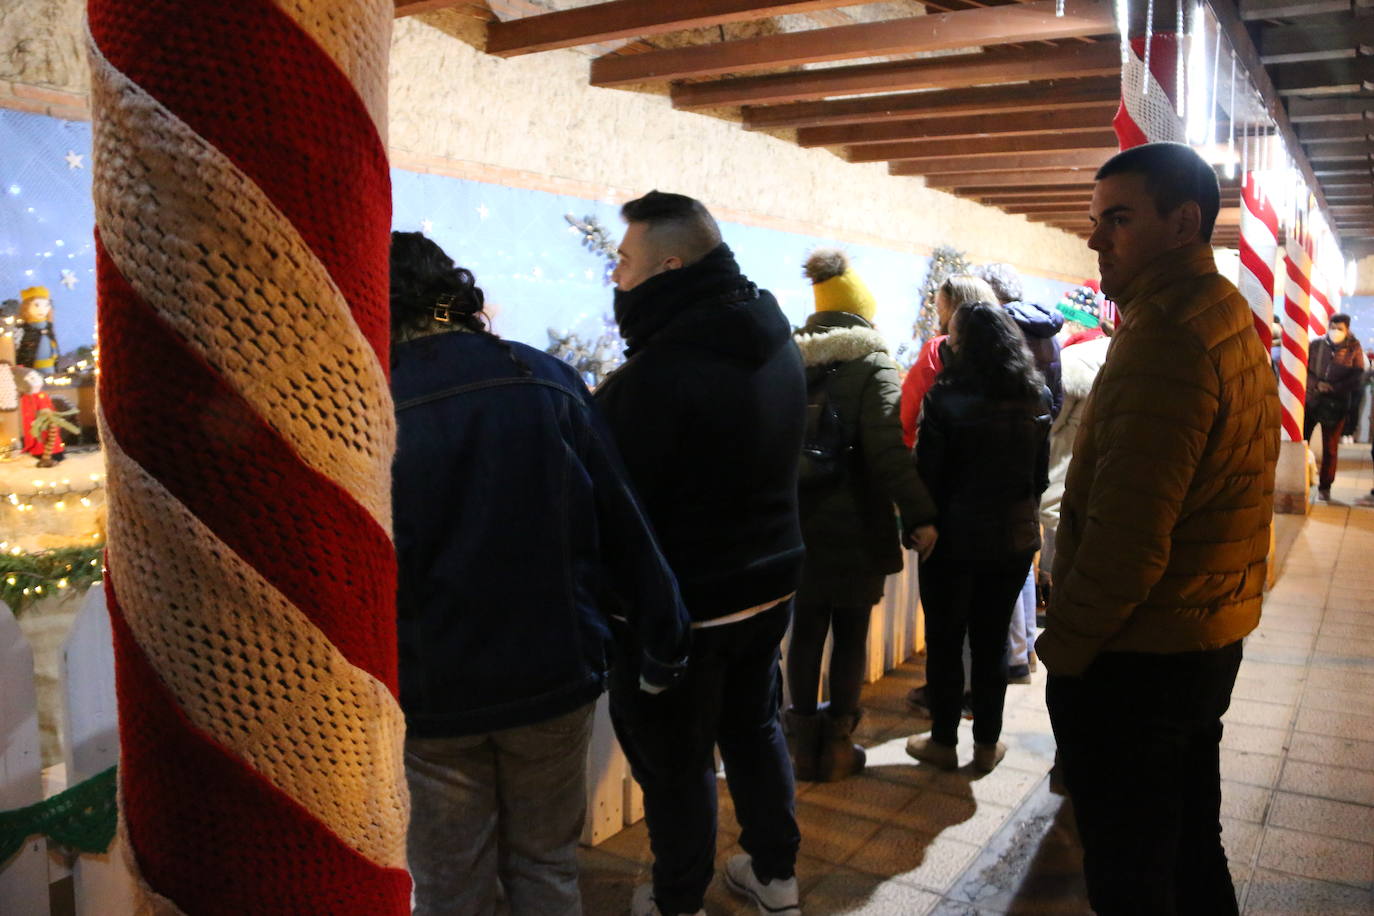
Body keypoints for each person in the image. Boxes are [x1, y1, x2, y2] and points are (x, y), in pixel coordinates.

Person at [389, 232, 691, 916]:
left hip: (433, 695)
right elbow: (623, 518)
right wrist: (662, 633)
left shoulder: (369, 405)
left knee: (448, 887)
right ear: (456, 297)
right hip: (555, 672)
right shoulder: (545, 379)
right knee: (547, 865)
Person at [1039, 142, 1280, 915]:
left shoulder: (1165, 336)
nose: (1095, 238)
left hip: (1142, 654)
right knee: (1184, 846)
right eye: (1094, 220)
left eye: (1118, 219)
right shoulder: (1214, 310)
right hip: (1197, 633)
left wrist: (1067, 653)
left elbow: (1128, 537)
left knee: (1131, 867)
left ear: (1183, 223)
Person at [594, 192, 806, 916]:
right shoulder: (775, 337)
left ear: (670, 266)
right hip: (771, 583)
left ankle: (676, 897)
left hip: (686, 608)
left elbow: (616, 511)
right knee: (753, 729)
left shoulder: (656, 376)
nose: (614, 274)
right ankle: (774, 874)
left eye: (624, 260)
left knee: (677, 764)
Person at [785, 248, 938, 782]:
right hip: (856, 528)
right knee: (849, 634)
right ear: (863, 315)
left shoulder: (790, 360)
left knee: (804, 631)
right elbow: (889, 450)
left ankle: (800, 749)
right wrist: (919, 513)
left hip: (799, 527)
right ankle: (838, 749)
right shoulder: (875, 366)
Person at [904, 302, 1052, 773]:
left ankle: (943, 741)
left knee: (946, 641)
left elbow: (927, 475)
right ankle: (987, 745)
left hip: (952, 540)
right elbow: (1039, 478)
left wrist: (920, 525)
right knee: (991, 642)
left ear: (962, 345)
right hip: (1012, 539)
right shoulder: (1036, 397)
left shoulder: (945, 397)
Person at [1039, 298, 1113, 594]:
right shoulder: (1111, 352)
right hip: (1100, 475)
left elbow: (1051, 424)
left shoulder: (1072, 361)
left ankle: (1053, 592)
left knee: (1059, 536)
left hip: (1063, 472)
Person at [899, 274, 999, 449]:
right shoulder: (1007, 349)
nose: (938, 319)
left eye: (940, 310)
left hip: (938, 456)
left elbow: (907, 414)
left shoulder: (937, 348)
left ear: (954, 311)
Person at [1304, 314, 1366, 500]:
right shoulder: (1316, 345)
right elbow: (1304, 368)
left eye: (1340, 328)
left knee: (1330, 447)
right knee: (1302, 441)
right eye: (1333, 327)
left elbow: (1358, 376)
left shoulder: (1353, 348)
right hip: (1313, 401)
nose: (1335, 331)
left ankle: (1325, 487)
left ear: (1347, 329)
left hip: (1336, 405)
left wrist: (1334, 387)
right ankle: (1304, 476)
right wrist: (1317, 384)